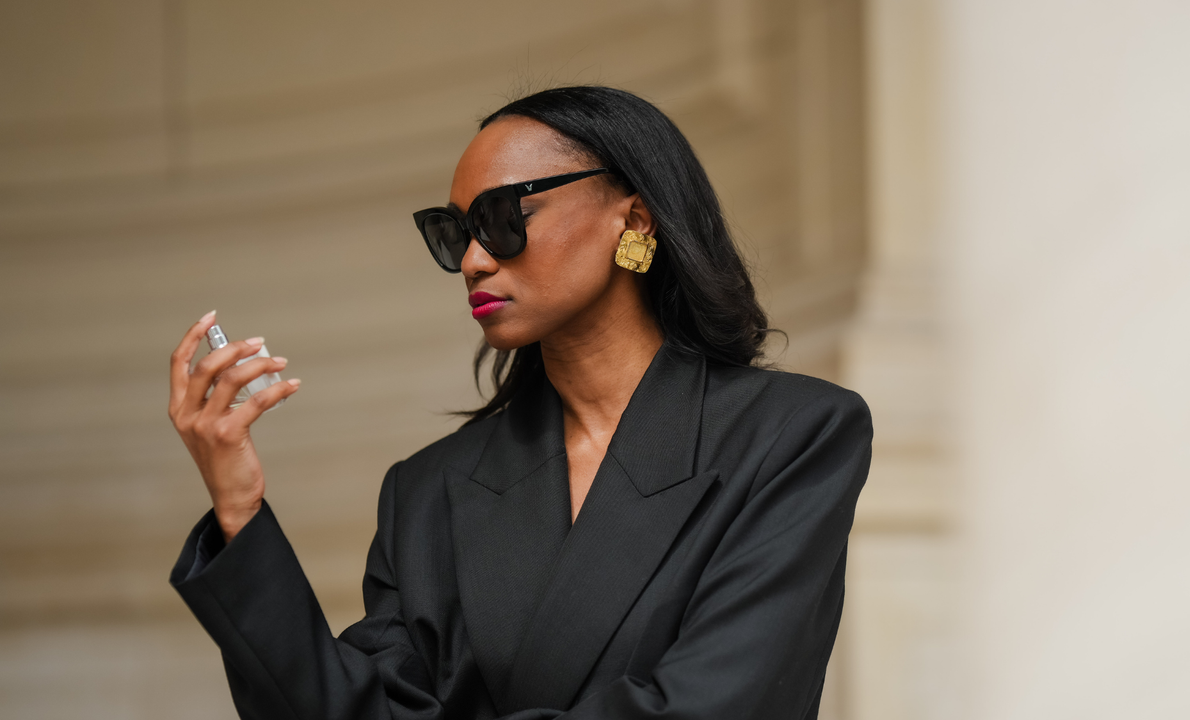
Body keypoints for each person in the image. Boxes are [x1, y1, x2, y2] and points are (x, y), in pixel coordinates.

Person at [167, 85, 872, 720]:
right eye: (453, 232)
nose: (474, 259)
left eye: (504, 217)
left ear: (636, 219)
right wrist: (240, 510)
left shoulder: (794, 435)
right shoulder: (428, 491)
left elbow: (715, 704)